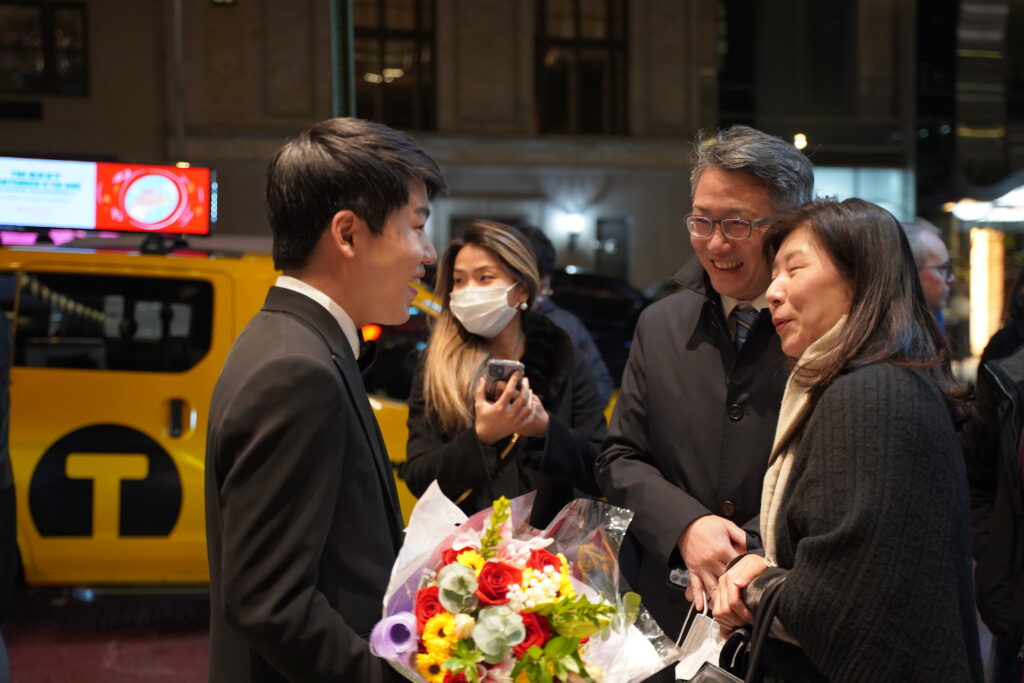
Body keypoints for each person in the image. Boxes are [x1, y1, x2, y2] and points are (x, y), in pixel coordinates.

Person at [205, 117, 445, 682]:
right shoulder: (296, 368)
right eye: (416, 226)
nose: (428, 253)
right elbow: (270, 601)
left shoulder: (293, 340)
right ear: (347, 233)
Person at [713, 198, 983, 682]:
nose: (772, 290)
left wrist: (753, 582)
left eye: (794, 268)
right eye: (775, 273)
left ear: (861, 278)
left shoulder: (870, 392)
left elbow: (843, 600)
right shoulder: (876, 378)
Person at [595, 125, 814, 653]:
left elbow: (832, 476)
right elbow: (620, 458)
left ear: (789, 226)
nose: (715, 243)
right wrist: (686, 527)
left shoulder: (821, 328)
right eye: (702, 221)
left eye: (737, 223)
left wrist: (746, 551)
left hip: (783, 614)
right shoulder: (660, 323)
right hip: (669, 611)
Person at [401, 220, 606, 529]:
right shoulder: (438, 364)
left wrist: (545, 430)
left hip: (550, 561)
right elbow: (418, 477)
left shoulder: (563, 355)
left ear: (522, 288)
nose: (469, 291)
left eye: (485, 278)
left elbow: (602, 471)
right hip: (463, 559)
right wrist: (482, 438)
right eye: (459, 280)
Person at [514, 223, 614, 404]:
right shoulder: (492, 322)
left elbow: (601, 384)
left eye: (541, 287)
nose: (533, 297)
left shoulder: (566, 325)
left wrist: (564, 419)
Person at [902, 217, 955, 325]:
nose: (951, 279)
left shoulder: (934, 316)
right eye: (943, 268)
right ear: (911, 273)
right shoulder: (893, 337)